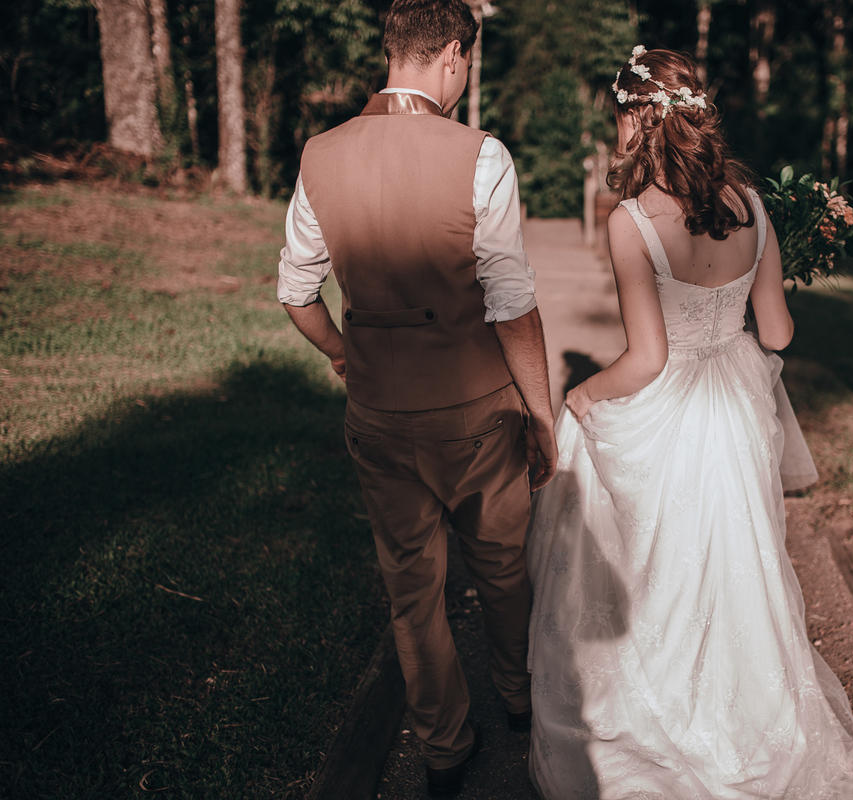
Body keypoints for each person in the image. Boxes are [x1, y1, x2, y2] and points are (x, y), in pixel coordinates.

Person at [526, 47, 853, 799]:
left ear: (640, 118)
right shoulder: (750, 204)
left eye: (619, 116)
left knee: (659, 571)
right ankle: (753, 715)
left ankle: (663, 716)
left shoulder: (631, 221)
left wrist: (582, 396)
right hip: (739, 405)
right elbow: (778, 334)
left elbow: (647, 359)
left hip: (670, 412)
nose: (615, 130)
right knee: (740, 563)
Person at [276, 0, 558, 795]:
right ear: (451, 57)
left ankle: (443, 744)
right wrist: (540, 417)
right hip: (476, 414)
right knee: (501, 568)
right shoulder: (481, 155)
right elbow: (512, 304)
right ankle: (517, 698)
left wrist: (342, 352)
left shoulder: (320, 155)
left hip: (378, 415)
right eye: (465, 63)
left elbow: (296, 291)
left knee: (412, 587)